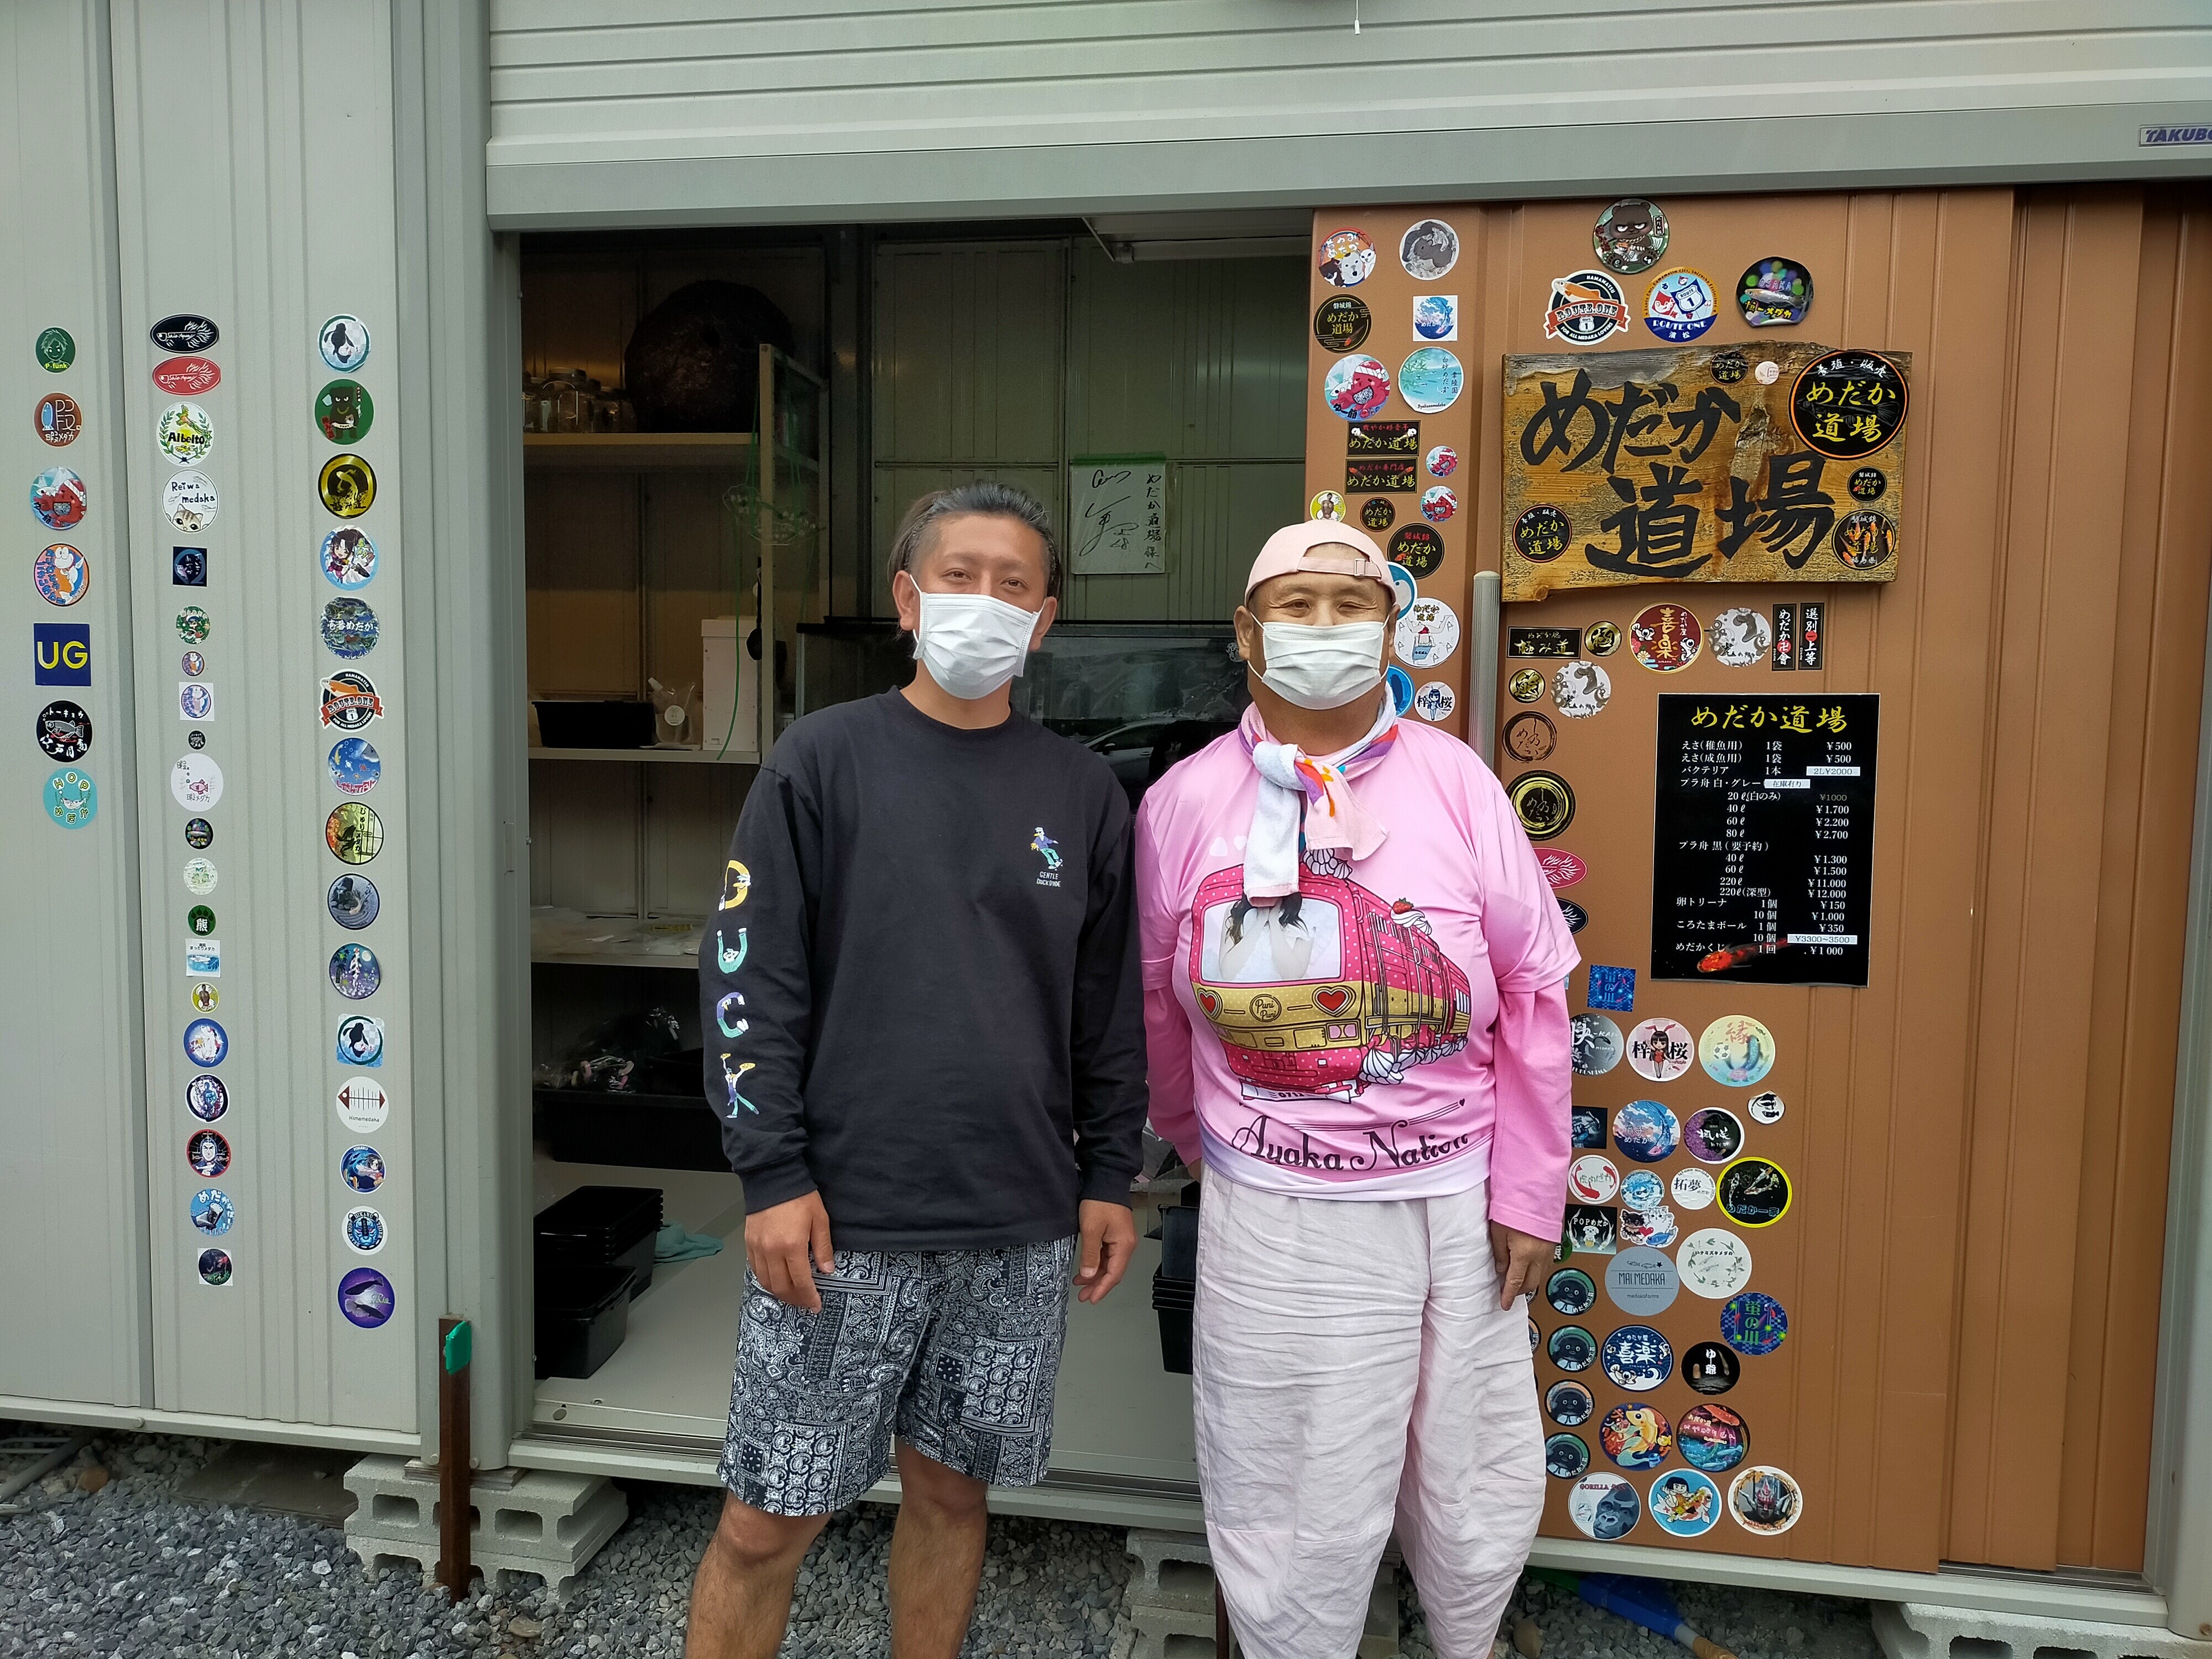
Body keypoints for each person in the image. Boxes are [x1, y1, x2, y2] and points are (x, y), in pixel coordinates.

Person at [688, 481, 1147, 1659]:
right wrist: (770, 1172)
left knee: (952, 1495)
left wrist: (1110, 1175)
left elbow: (1106, 1007)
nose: (984, 601)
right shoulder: (821, 761)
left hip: (1016, 1220)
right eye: (958, 576)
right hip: (843, 1219)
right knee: (766, 1520)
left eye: (1013, 584)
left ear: (1043, 619)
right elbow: (746, 978)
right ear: (907, 598)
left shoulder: (1082, 792)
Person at [1136, 520, 1578, 1659]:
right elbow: (1156, 1004)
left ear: (1391, 634)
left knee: (1468, 1474)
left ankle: (1465, 1640)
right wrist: (1192, 1141)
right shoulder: (1180, 804)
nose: (1323, 628)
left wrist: (1530, 1194)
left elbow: (1533, 994)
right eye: (1296, 606)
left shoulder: (1458, 782)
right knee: (1286, 1483)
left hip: (1456, 1205)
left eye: (1351, 605)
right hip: (1274, 1213)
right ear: (1246, 634)